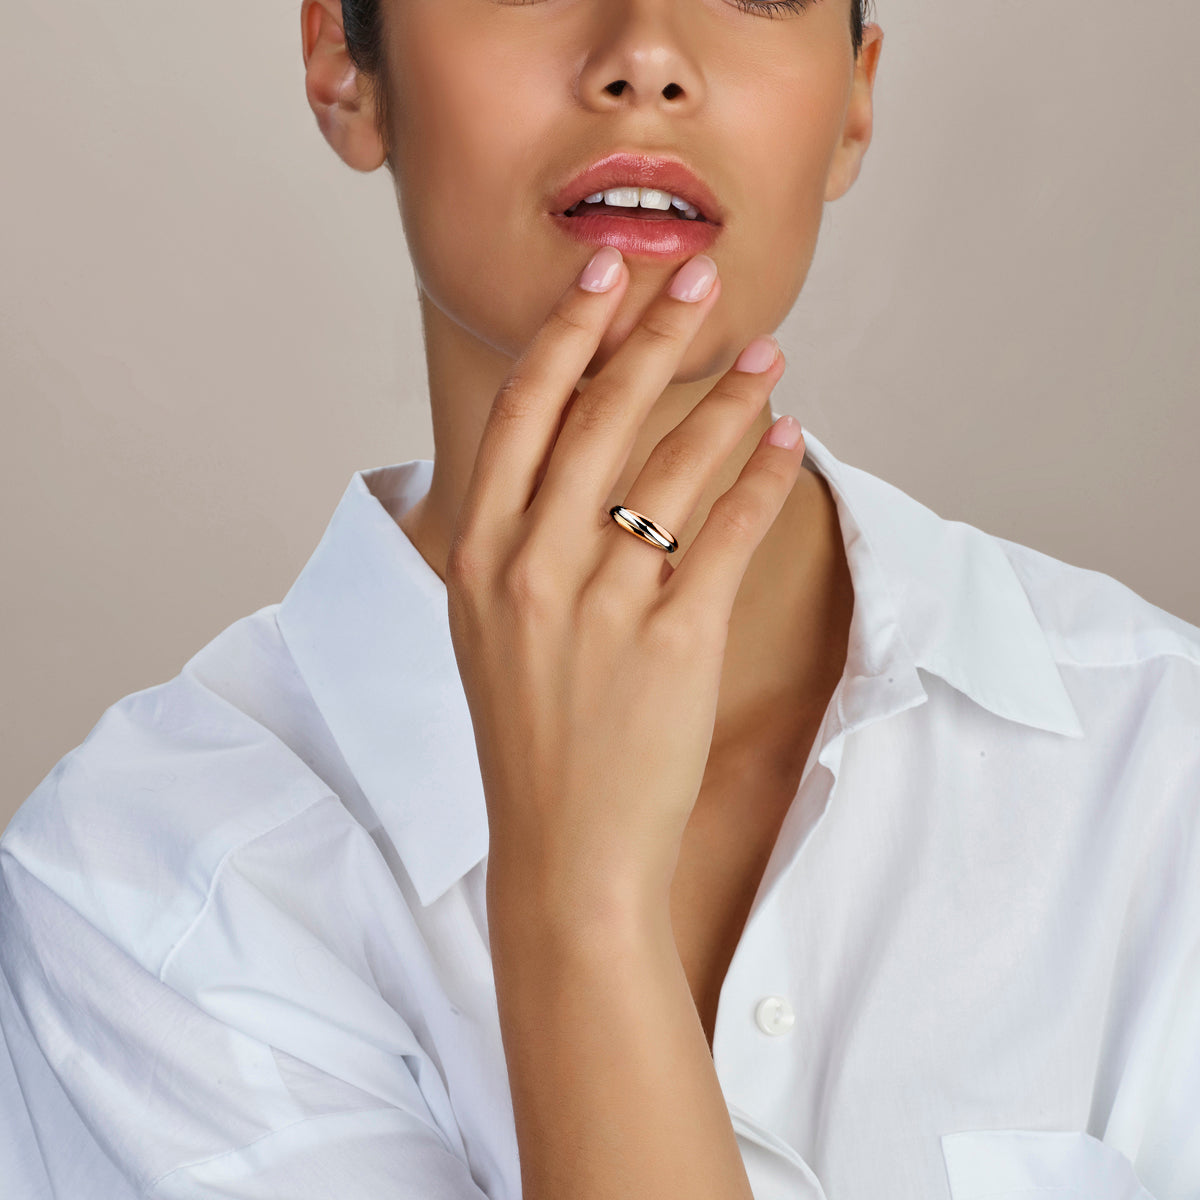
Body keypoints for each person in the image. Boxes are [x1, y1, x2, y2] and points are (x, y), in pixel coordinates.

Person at [1, 1, 1197, 1197]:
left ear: (853, 102)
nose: (646, 58)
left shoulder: (1162, 762)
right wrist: (585, 909)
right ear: (343, 65)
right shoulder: (137, 892)